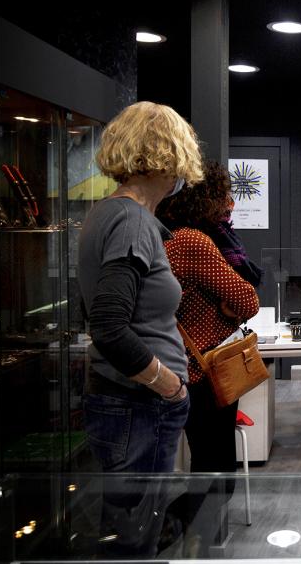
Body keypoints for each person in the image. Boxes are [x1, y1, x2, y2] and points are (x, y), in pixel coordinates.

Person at [78, 101, 203, 473]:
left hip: (126, 399)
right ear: (170, 155)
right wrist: (170, 386)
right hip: (139, 402)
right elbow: (108, 326)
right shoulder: (131, 221)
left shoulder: (109, 212)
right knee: (140, 508)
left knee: (129, 507)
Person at [156, 160, 261, 472]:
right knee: (217, 467)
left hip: (181, 364)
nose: (229, 203)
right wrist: (228, 307)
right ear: (205, 197)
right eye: (222, 194)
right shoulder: (192, 241)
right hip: (205, 370)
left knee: (205, 459)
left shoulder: (165, 236)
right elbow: (248, 301)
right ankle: (200, 507)